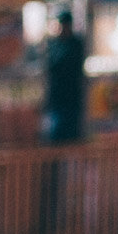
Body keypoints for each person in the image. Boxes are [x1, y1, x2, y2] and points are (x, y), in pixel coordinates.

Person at [42, 8, 86, 143]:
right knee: (56, 138)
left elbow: (61, 66)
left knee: (70, 137)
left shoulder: (75, 45)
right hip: (57, 99)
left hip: (70, 99)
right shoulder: (56, 44)